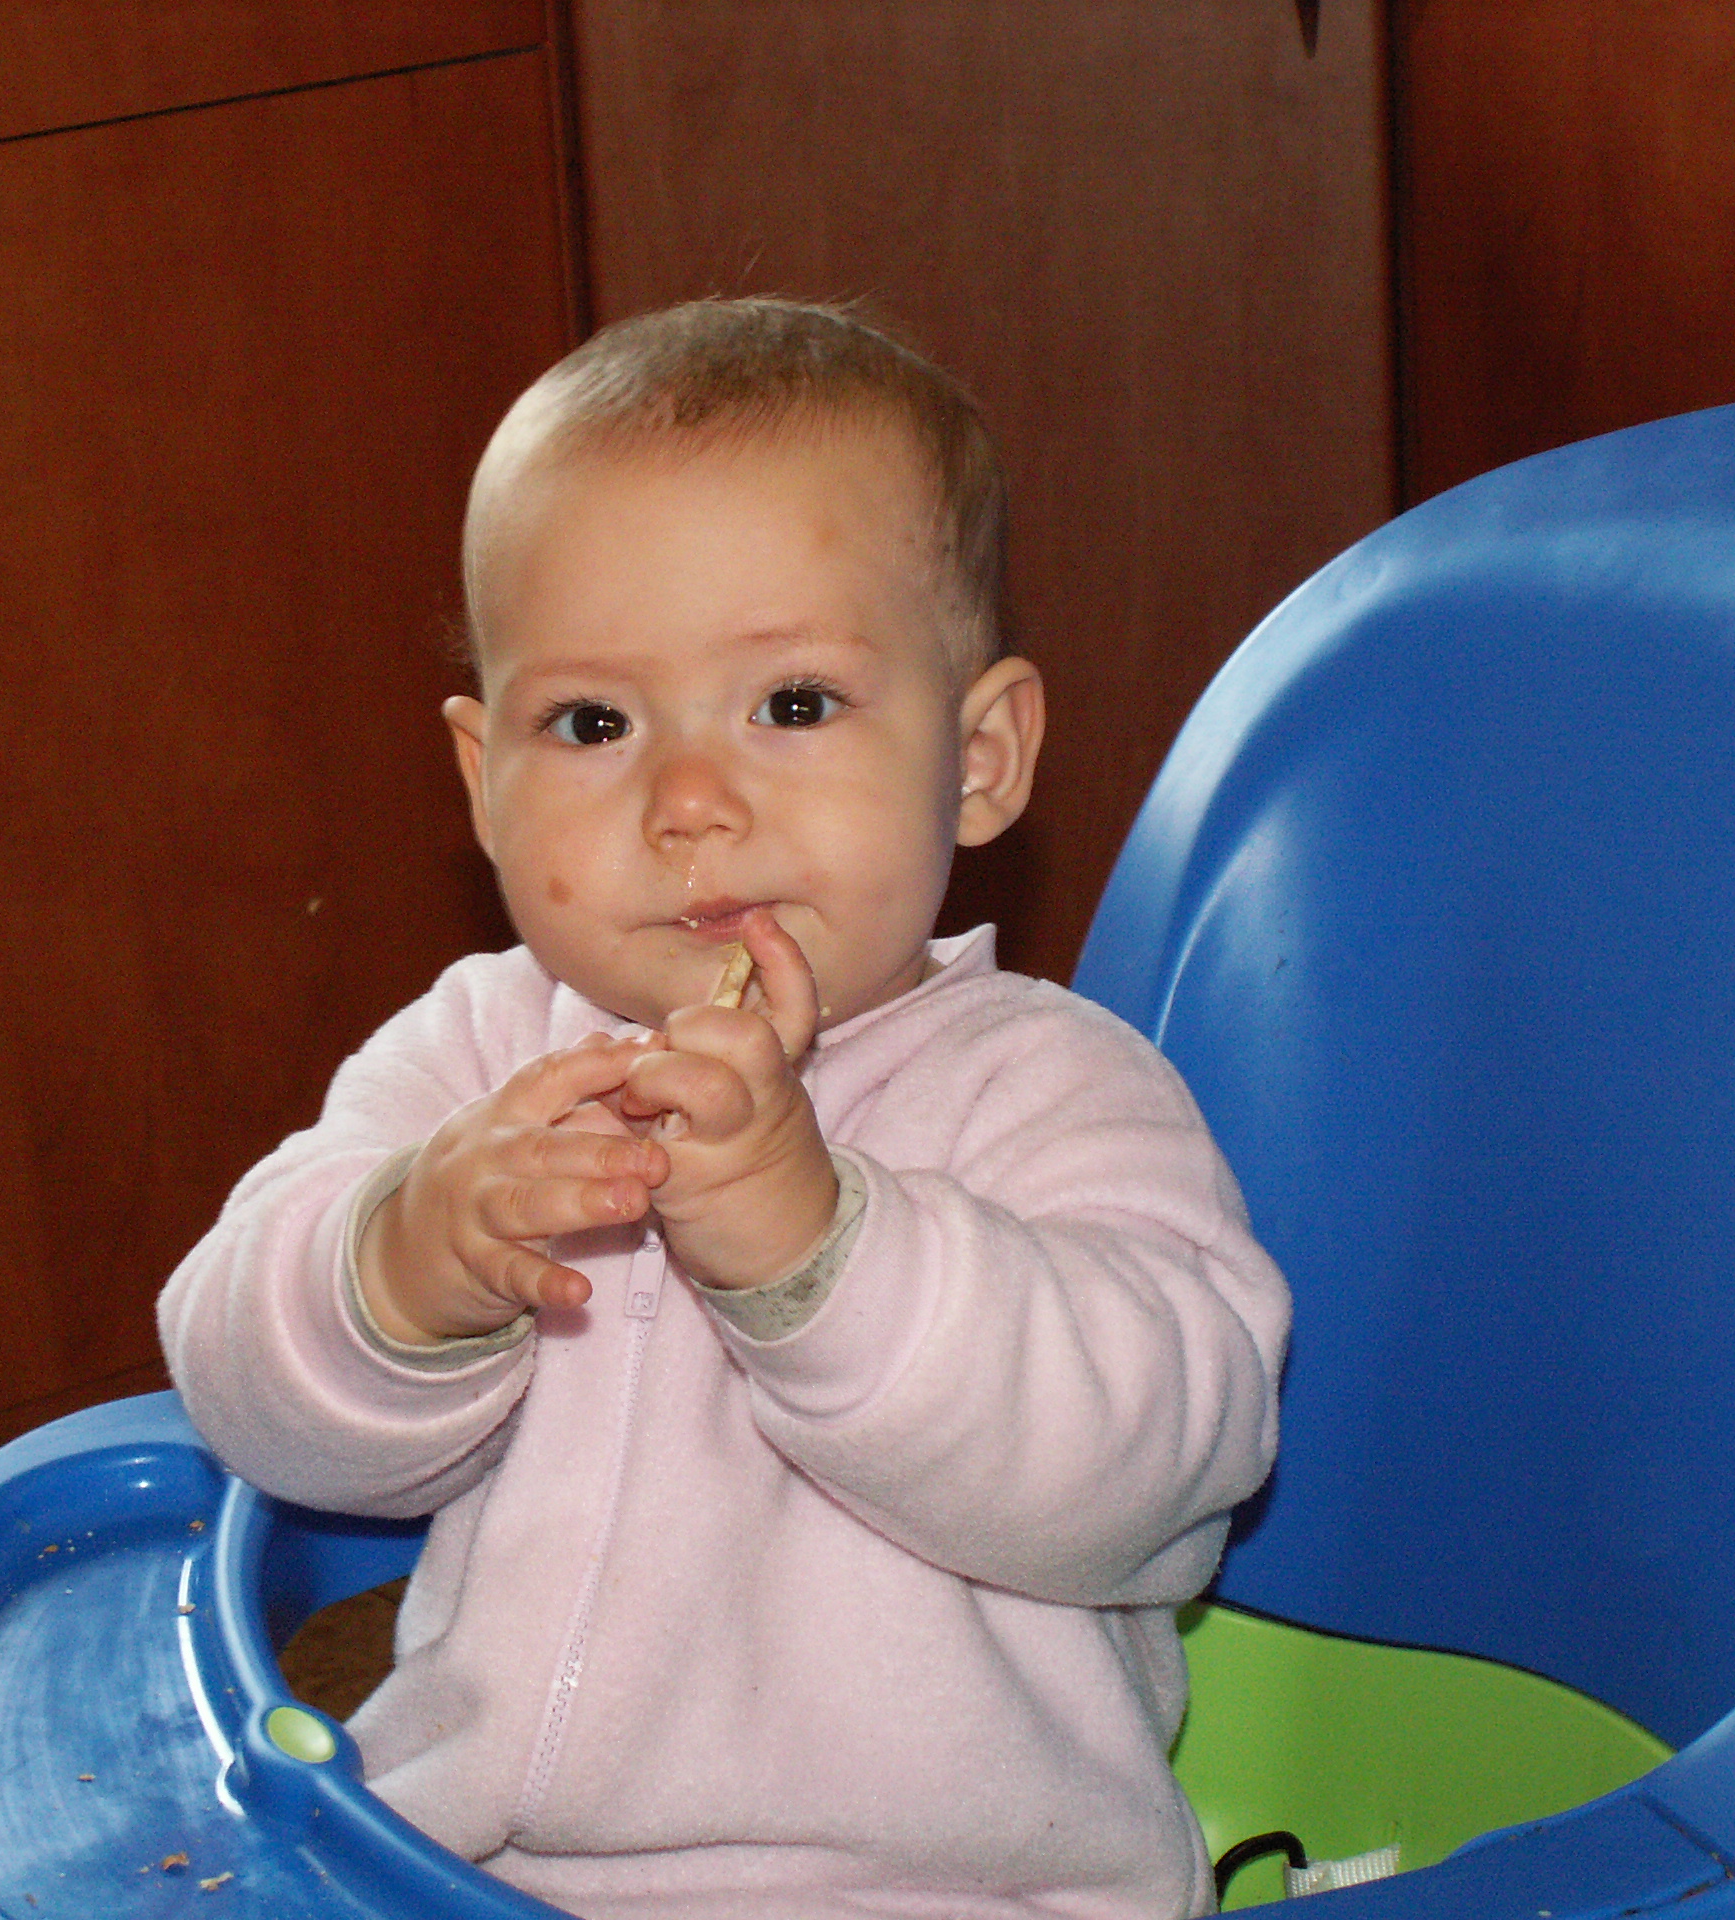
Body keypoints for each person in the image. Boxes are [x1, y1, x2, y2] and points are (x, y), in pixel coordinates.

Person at [159, 297, 1288, 1920]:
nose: (688, 800)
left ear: (979, 756)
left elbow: (1171, 1476)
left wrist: (818, 1253)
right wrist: (400, 1266)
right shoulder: (475, 1059)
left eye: (794, 704)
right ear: (484, 782)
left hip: (936, 1895)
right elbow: (238, 1388)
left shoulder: (1049, 1088)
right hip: (467, 1873)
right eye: (593, 724)